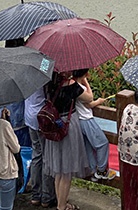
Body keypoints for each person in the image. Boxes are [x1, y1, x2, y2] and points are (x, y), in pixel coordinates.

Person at [43, 71, 93, 210]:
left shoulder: (49, 83)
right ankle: (61, 206)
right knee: (66, 172)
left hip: (55, 123)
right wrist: (84, 81)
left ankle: (61, 203)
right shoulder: (71, 85)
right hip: (67, 126)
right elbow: (89, 98)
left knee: (59, 170)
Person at [71, 69, 116, 181]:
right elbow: (90, 102)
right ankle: (102, 170)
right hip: (86, 119)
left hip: (78, 120)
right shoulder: (80, 88)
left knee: (88, 146)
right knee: (102, 143)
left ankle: (92, 170)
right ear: (84, 74)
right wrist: (99, 101)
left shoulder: (70, 84)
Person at [24, 87, 57, 208]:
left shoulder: (26, 72)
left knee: (36, 155)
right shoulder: (44, 74)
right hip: (42, 118)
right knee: (46, 157)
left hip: (29, 116)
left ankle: (36, 195)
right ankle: (47, 197)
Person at [0, 108, 21, 210]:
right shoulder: (3, 125)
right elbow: (16, 148)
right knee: (5, 207)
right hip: (5, 173)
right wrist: (6, 121)